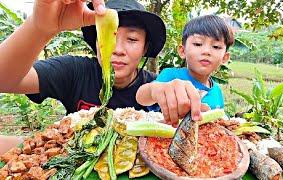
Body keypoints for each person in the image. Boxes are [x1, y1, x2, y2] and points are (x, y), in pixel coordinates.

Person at [0, 0, 202, 154]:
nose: (117, 50)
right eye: (107, 36)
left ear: (145, 48)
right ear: (96, 42)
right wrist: (39, 27)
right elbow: (5, 80)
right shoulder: (75, 71)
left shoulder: (157, 88)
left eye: (131, 39)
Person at [136, 15, 234, 121]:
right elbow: (141, 97)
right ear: (182, 51)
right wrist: (154, 90)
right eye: (198, 44)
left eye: (216, 47)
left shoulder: (217, 92)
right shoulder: (170, 76)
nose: (206, 51)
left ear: (225, 57)